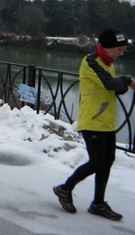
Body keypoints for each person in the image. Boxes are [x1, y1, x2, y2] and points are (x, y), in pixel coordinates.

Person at [53, 28, 135, 221]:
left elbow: (111, 89)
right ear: (107, 47)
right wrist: (127, 81)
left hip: (106, 121)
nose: (121, 53)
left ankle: (98, 203)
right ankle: (64, 188)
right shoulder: (91, 61)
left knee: (107, 162)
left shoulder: (109, 62)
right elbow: (109, 84)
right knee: (97, 161)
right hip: (92, 120)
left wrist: (122, 84)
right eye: (119, 49)